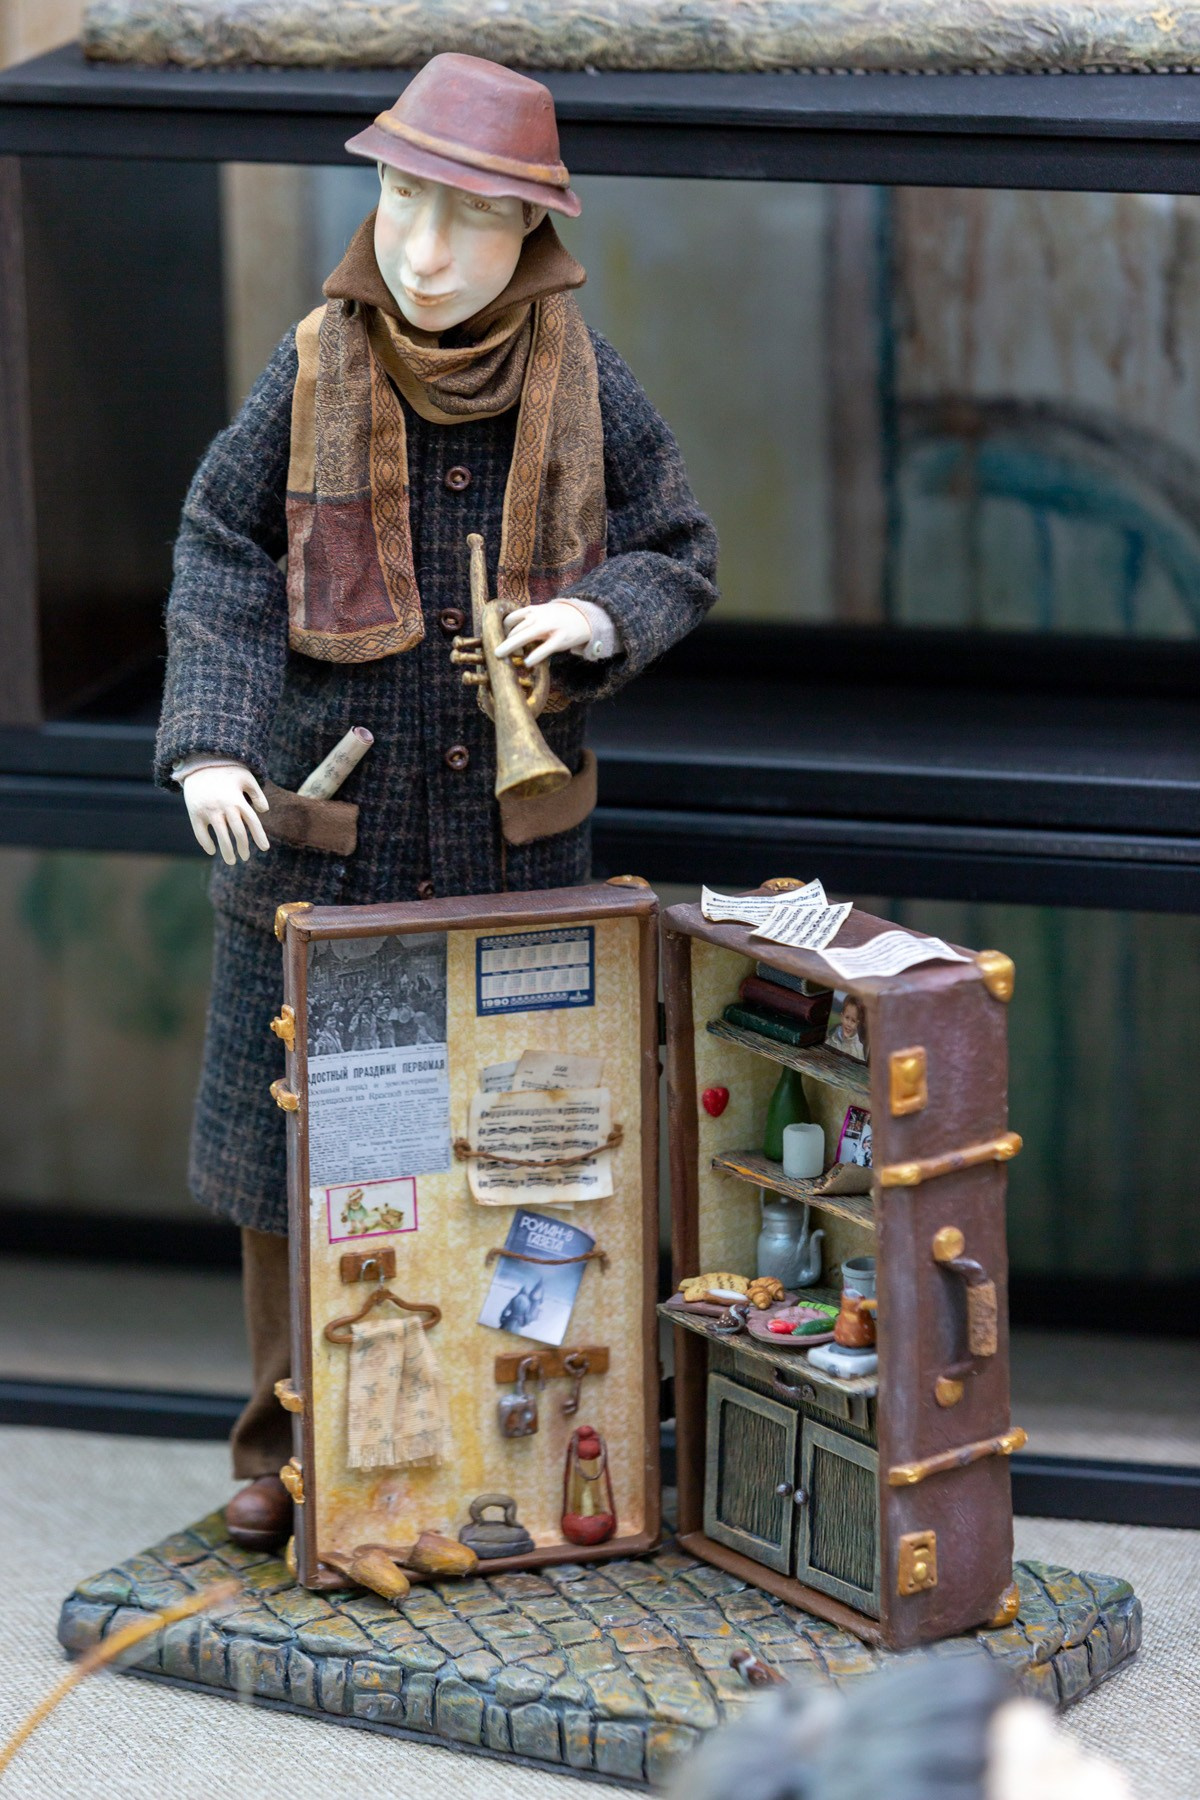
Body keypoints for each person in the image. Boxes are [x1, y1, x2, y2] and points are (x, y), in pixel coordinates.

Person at [154, 52, 718, 1550]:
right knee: (298, 1164)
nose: (423, 247)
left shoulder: (583, 377)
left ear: (530, 227)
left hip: (510, 858)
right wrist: (210, 750)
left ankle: (512, 1433)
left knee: (521, 1148)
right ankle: (287, 1445)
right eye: (405, 198)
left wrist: (599, 616)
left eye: (468, 214)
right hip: (325, 857)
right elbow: (221, 551)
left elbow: (676, 546)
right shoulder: (315, 365)